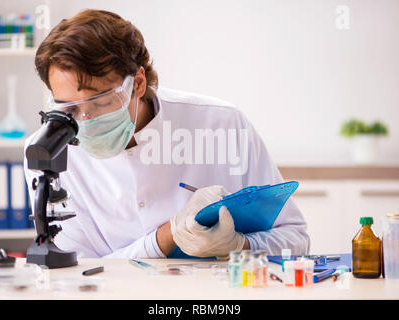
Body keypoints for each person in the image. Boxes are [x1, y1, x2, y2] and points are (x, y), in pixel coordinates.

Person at [24, 9, 310, 259]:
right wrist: (168, 235)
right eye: (70, 108)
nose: (85, 120)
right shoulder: (49, 152)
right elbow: (77, 272)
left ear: (137, 82)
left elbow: (296, 240)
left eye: (100, 102)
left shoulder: (222, 124)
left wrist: (239, 245)